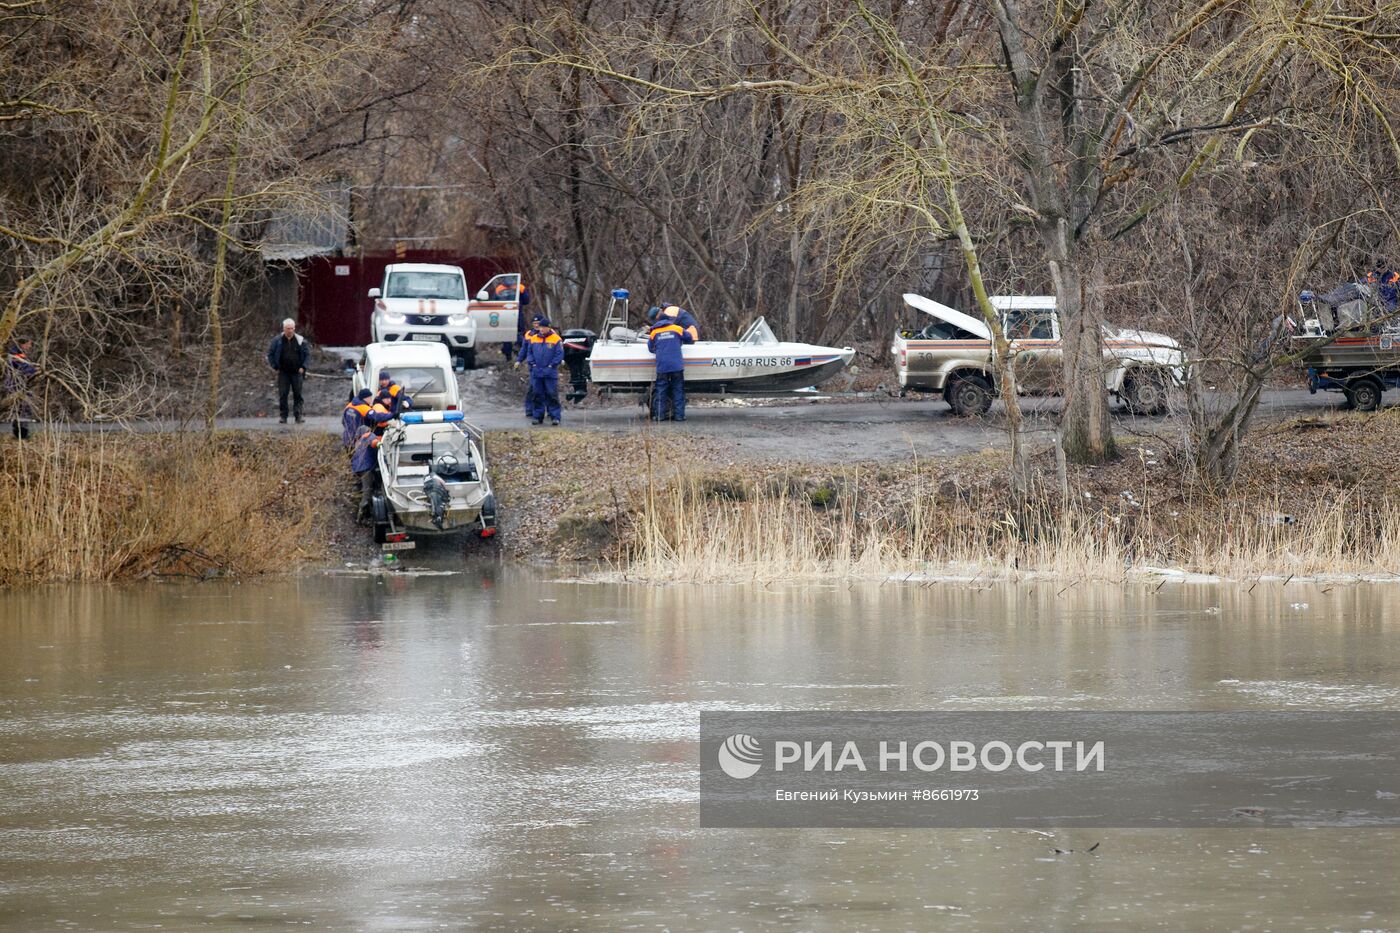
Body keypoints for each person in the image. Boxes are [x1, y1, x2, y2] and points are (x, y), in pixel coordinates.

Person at [515, 313, 563, 425]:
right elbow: (528, 352)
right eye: (538, 325)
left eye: (542, 326)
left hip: (550, 372)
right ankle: (537, 416)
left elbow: (559, 354)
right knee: (537, 393)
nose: (540, 328)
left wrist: (552, 365)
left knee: (552, 394)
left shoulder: (556, 339)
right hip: (537, 371)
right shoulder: (532, 338)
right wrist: (531, 364)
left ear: (548, 327)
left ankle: (555, 416)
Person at [648, 308, 694, 421]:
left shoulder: (654, 332)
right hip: (676, 365)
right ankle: (679, 416)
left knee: (661, 390)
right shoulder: (676, 328)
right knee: (678, 390)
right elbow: (689, 338)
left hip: (662, 365)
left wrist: (660, 350)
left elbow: (650, 348)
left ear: (655, 320)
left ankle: (660, 416)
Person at [265, 318, 309, 424]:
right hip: (283, 372)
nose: (290, 330)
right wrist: (275, 366)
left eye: (292, 328)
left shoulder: (300, 340)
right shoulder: (277, 340)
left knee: (298, 394)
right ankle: (283, 416)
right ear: (284, 328)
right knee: (283, 394)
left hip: (297, 372)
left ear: (294, 328)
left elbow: (307, 355)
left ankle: (298, 416)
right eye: (288, 328)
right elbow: (270, 354)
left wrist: (303, 367)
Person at [6, 338, 37, 440]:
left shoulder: (19, 354)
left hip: (20, 385)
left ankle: (21, 433)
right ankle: (21, 434)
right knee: (22, 409)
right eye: (28, 344)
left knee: (23, 410)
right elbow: (23, 368)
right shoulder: (14, 355)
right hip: (16, 386)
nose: (30, 347)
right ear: (22, 344)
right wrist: (33, 370)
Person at [350, 423, 382, 524]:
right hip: (365, 469)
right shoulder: (370, 436)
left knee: (360, 490)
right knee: (367, 492)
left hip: (357, 468)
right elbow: (374, 442)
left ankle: (360, 512)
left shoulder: (359, 441)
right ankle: (361, 517)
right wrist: (379, 444)